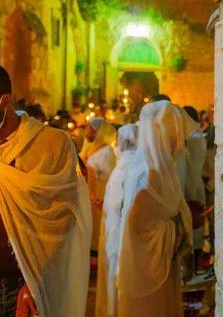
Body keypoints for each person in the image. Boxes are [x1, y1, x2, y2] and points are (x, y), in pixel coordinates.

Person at [0, 60, 91, 317]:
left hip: (33, 289)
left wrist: (34, 282)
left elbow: (62, 222)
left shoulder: (51, 146)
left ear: (5, 101)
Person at [116, 100, 198, 317]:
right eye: (176, 133)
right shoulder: (148, 173)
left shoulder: (160, 169)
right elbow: (137, 228)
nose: (179, 140)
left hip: (161, 262)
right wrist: (177, 226)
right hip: (147, 269)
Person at [96, 124, 138, 317]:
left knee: (117, 274)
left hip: (118, 232)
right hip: (124, 232)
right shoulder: (134, 166)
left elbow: (119, 204)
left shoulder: (123, 167)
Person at [80, 117, 117, 253]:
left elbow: (108, 174)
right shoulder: (90, 147)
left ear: (98, 132)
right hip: (88, 192)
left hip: (99, 193)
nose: (87, 133)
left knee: (98, 223)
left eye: (91, 130)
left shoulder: (107, 151)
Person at [183, 106, 207, 271]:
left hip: (192, 184)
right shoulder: (195, 135)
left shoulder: (194, 137)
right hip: (191, 183)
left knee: (194, 224)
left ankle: (194, 264)